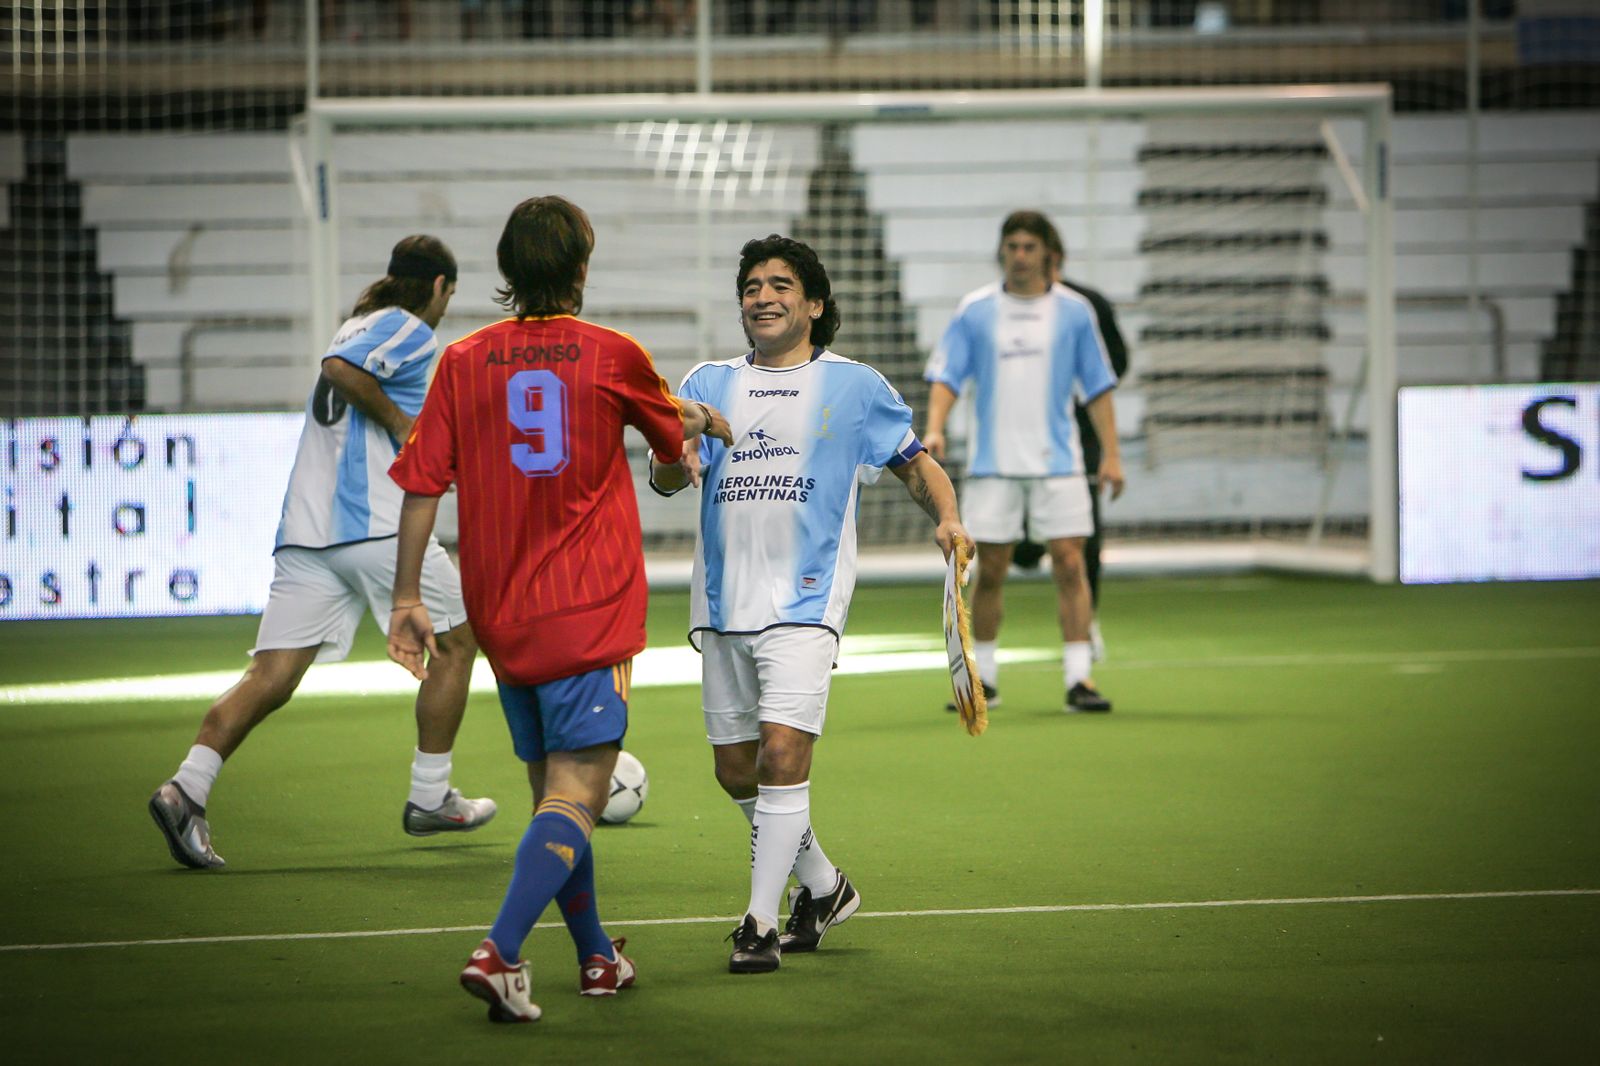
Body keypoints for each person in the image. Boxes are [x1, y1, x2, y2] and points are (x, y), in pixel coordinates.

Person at [386, 196, 731, 1023]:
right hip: (588, 608)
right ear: (581, 268)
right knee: (578, 795)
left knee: (556, 796)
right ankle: (499, 951)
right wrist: (696, 433)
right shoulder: (614, 355)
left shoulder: (462, 361)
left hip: (502, 615)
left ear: (506, 273)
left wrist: (405, 595)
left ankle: (597, 959)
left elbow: (422, 487)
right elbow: (671, 465)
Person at [651, 234, 967, 974]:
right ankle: (823, 886)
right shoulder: (704, 381)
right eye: (752, 286)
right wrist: (677, 442)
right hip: (722, 601)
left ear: (814, 304)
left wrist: (948, 519)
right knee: (736, 772)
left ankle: (758, 924)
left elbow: (917, 466)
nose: (762, 296)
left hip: (806, 600)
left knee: (783, 754)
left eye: (780, 285)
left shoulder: (855, 386)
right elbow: (669, 481)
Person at [147, 235, 495, 872]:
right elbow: (340, 371)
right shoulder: (409, 328)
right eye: (450, 294)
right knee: (459, 641)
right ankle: (429, 795)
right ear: (440, 287)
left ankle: (186, 787)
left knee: (271, 675)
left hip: (306, 537)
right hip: (376, 527)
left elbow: (342, 365)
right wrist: (398, 423)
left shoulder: (359, 322)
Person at [922, 210, 1125, 714]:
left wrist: (1113, 456)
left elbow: (1098, 388)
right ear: (1002, 252)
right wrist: (935, 428)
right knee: (989, 569)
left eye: (1029, 246)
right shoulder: (976, 310)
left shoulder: (1076, 313)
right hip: (994, 466)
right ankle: (984, 677)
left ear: (1048, 253)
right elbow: (947, 376)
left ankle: (1080, 679)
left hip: (1060, 463)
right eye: (1012, 245)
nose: (1019, 255)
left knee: (1072, 564)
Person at [1010, 250, 1132, 662]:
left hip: (1076, 436)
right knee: (1020, 548)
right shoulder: (1005, 307)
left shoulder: (1085, 305)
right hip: (1017, 438)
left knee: (1083, 537)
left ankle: (1086, 624)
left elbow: (1115, 364)